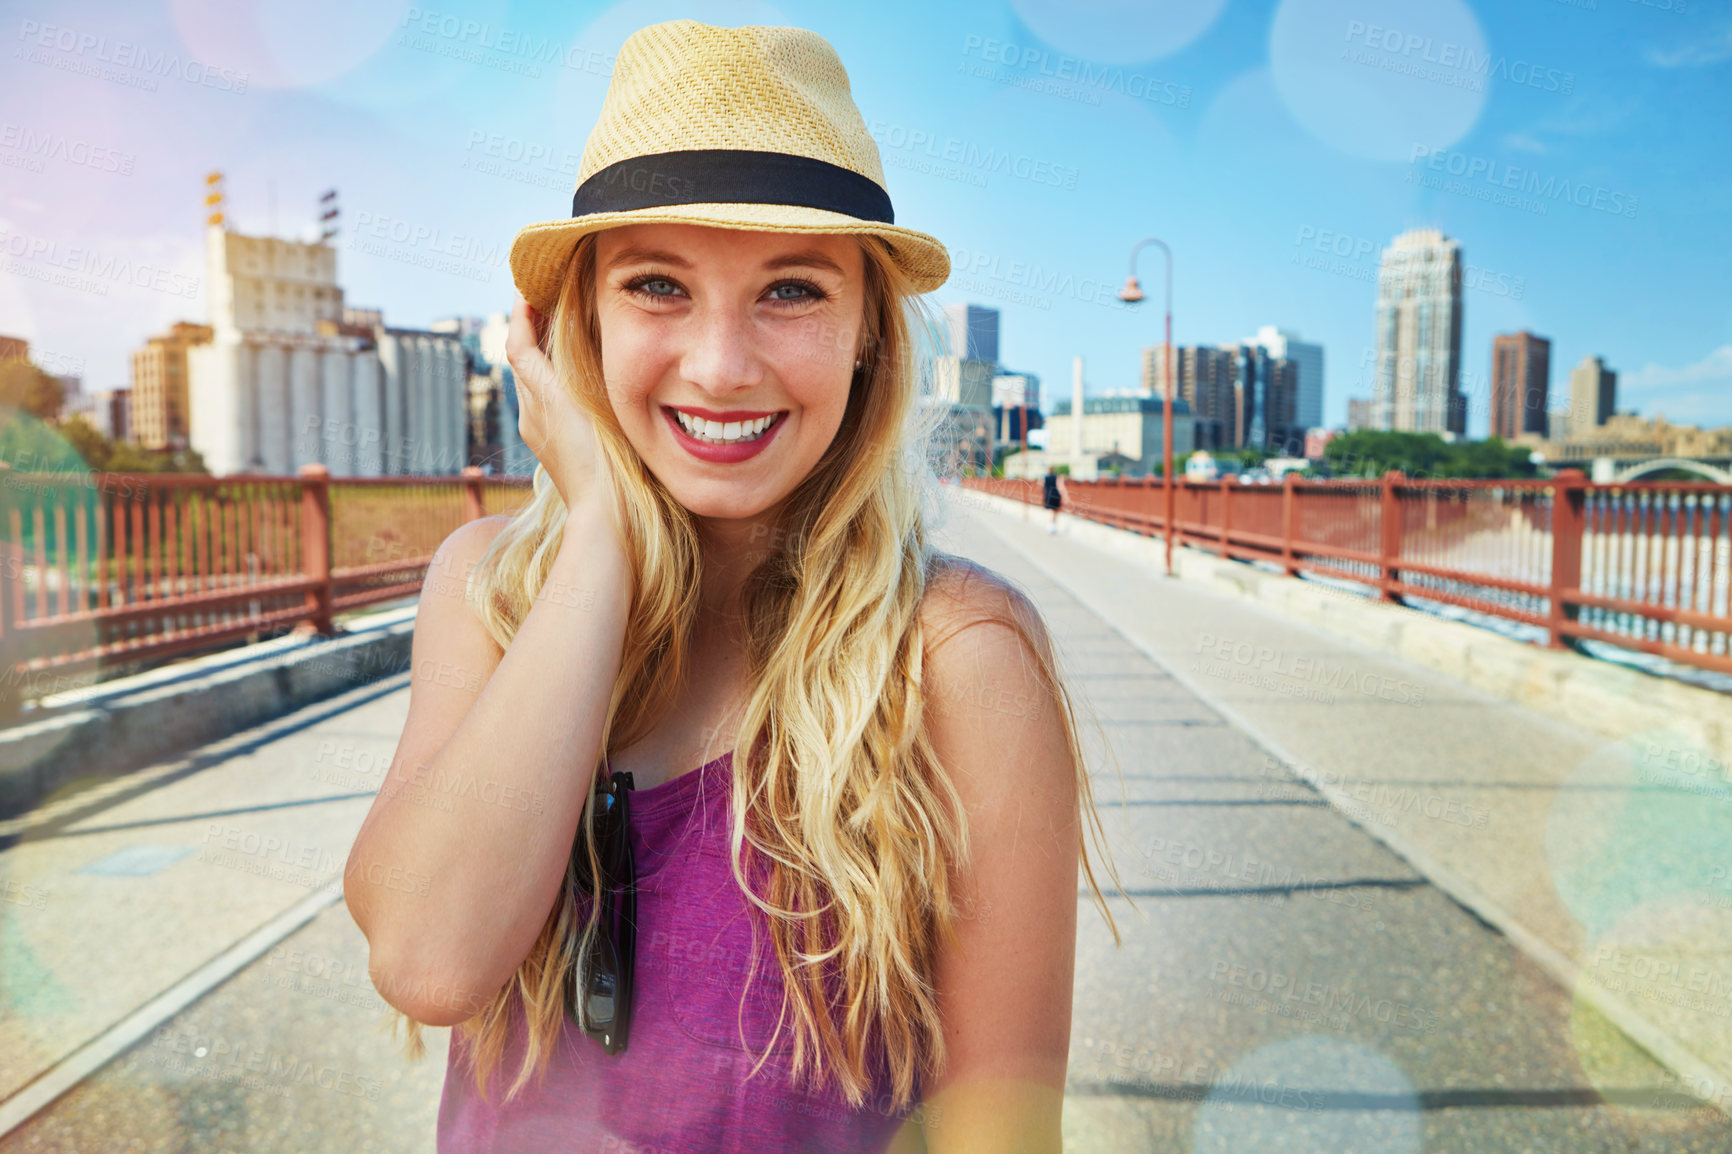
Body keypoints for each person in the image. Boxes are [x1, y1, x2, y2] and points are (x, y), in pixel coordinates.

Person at [343, 20, 1120, 1153]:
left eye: (791, 291)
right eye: (657, 284)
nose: (720, 363)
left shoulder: (957, 655)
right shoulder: (490, 590)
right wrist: (600, 537)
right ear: (574, 326)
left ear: (866, 335)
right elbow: (428, 955)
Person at [1042, 469, 1063, 533]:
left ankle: (1050, 526)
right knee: (1055, 511)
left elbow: (1043, 487)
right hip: (1056, 495)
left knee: (1050, 512)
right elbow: (1060, 487)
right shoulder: (1057, 478)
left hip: (1048, 495)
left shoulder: (1045, 478)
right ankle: (1053, 526)